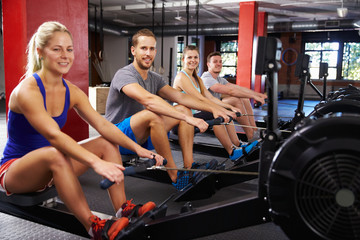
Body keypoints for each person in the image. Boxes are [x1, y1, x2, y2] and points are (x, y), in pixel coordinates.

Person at [0, 21, 164, 240]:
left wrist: (139, 149)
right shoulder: (27, 90)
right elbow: (54, 136)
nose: (65, 55)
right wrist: (96, 163)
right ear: (40, 52)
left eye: (69, 49)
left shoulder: (72, 91)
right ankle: (93, 227)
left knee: (106, 141)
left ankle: (123, 208)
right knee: (54, 152)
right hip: (16, 172)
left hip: (52, 165)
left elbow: (103, 125)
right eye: (56, 49)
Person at [105, 29, 236, 190]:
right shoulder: (124, 74)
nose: (148, 53)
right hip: (118, 139)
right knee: (152, 114)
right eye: (143, 48)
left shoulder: (155, 78)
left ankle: (189, 168)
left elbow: (181, 97)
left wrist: (214, 109)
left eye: (152, 49)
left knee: (183, 109)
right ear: (133, 50)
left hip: (141, 137)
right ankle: (175, 177)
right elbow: (148, 99)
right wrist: (189, 120)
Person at [173, 45, 259, 161]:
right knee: (217, 114)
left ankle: (238, 145)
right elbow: (200, 99)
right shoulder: (181, 77)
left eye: (195, 57)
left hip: (193, 116)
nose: (193, 60)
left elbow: (211, 98)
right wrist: (221, 111)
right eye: (189, 57)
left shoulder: (197, 79)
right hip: (181, 121)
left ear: (199, 59)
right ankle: (232, 151)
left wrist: (230, 107)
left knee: (222, 112)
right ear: (183, 59)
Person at [201, 51, 267, 141]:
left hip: (215, 105)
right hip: (204, 108)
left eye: (220, 61)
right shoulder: (206, 78)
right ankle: (250, 135)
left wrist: (258, 94)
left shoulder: (220, 79)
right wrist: (254, 97)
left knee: (244, 98)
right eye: (215, 61)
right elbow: (231, 91)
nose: (218, 64)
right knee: (235, 100)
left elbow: (238, 88)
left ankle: (254, 130)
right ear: (208, 64)